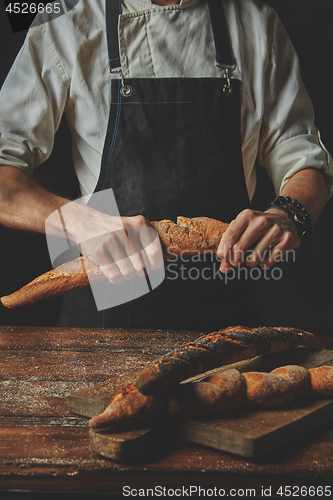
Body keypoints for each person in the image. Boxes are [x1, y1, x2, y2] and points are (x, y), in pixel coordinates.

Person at [0, 0, 331, 330]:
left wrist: (288, 213)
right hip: (103, 319)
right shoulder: (66, 22)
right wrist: (77, 222)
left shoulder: (258, 25)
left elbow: (304, 159)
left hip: (226, 321)